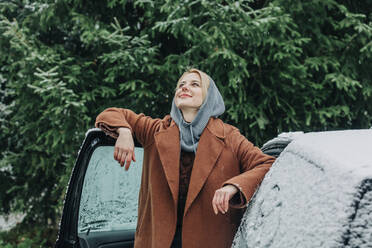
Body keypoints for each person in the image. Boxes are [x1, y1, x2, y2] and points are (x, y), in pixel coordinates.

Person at [95, 68, 275, 248]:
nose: (184, 88)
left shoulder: (230, 137)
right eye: (181, 85)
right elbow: (111, 113)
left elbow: (267, 164)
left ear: (208, 96)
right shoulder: (155, 130)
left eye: (194, 84)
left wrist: (233, 187)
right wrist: (124, 131)